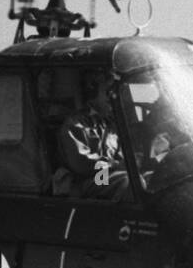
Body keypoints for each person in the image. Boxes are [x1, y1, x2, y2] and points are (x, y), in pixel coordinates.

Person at [51, 71, 132, 200]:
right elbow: (80, 163)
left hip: (107, 175)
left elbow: (120, 155)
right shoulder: (75, 123)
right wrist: (115, 165)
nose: (112, 97)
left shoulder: (112, 124)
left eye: (115, 93)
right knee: (128, 182)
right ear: (94, 93)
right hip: (83, 181)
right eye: (107, 92)